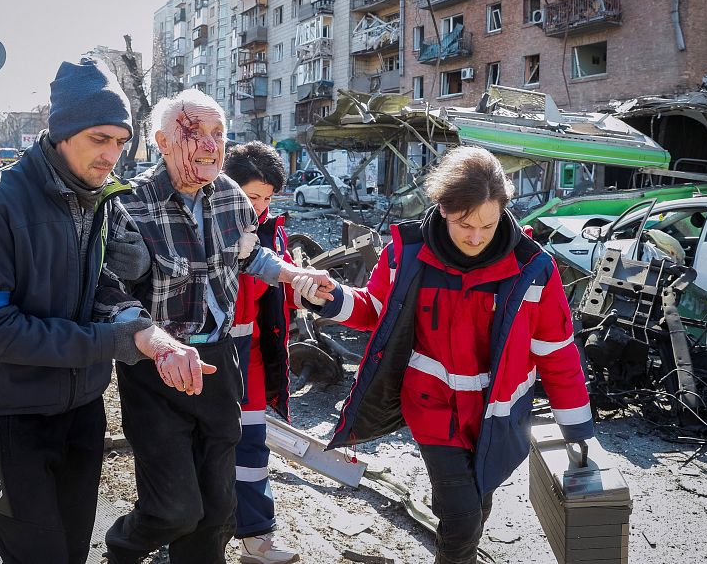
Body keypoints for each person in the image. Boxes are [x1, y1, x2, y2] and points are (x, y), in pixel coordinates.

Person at [0, 57, 206, 564]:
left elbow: (100, 288)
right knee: (37, 554)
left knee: (73, 550)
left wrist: (146, 331)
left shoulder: (97, 199)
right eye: (98, 138)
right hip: (10, 414)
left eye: (121, 142)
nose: (112, 155)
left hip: (83, 406)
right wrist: (115, 342)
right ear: (61, 132)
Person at [295, 146, 594, 564]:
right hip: (432, 407)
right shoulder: (409, 253)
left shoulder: (532, 269)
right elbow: (374, 311)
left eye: (487, 226)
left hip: (500, 415)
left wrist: (578, 428)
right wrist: (330, 300)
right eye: (464, 224)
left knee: (477, 502)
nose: (475, 237)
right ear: (442, 207)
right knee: (462, 515)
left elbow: (557, 353)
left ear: (504, 212)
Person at [102, 89, 331, 564]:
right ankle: (122, 550)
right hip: (156, 368)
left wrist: (296, 275)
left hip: (219, 362)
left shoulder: (229, 195)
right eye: (196, 133)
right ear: (163, 142)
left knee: (217, 509)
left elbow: (250, 255)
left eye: (218, 134)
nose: (211, 144)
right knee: (172, 510)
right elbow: (109, 293)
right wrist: (155, 342)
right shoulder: (129, 205)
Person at [223, 142, 300, 564]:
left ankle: (257, 539)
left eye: (268, 198)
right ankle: (201, 536)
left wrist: (300, 294)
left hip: (252, 352)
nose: (260, 207)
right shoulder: (205, 224)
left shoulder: (273, 229)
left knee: (252, 444)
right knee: (208, 444)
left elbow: (277, 292)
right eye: (252, 196)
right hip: (209, 351)